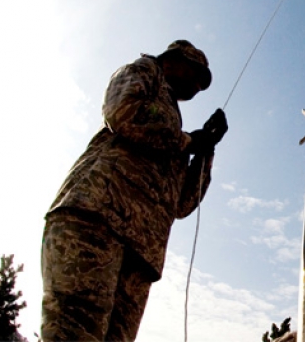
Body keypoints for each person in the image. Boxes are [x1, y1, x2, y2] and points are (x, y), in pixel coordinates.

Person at [41, 40, 228, 341]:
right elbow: (123, 111)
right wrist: (187, 142)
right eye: (196, 74)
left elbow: (181, 204)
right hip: (98, 219)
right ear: (172, 60)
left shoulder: (173, 130)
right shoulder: (146, 71)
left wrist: (206, 149)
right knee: (76, 329)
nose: (198, 86)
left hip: (141, 251)